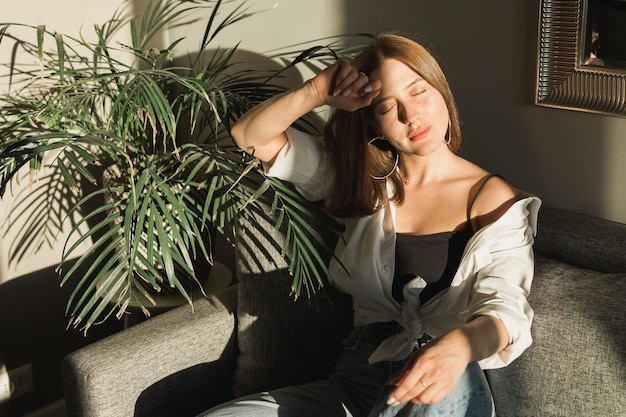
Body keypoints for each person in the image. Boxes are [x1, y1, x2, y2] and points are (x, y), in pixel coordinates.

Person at [198, 33, 541, 417]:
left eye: (418, 92)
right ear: (374, 123)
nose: (410, 116)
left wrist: (460, 344)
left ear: (442, 91)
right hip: (353, 385)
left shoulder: (491, 197)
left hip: (437, 390)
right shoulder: (358, 179)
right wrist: (315, 91)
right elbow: (249, 138)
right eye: (386, 107)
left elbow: (505, 310)